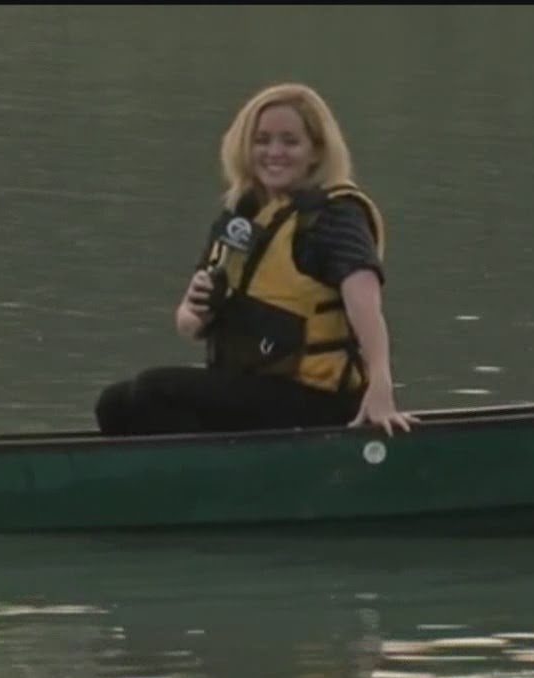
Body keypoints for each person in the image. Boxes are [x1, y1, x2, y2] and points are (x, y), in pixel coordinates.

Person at [95, 82, 417, 437]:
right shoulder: (243, 216)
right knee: (115, 404)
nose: (274, 152)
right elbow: (188, 326)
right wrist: (196, 309)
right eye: (262, 140)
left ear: (316, 151)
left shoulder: (335, 217)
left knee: (154, 390)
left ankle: (215, 482)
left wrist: (381, 388)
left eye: (290, 141)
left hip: (320, 399)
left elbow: (366, 309)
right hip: (252, 388)